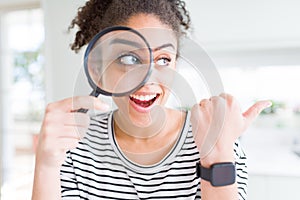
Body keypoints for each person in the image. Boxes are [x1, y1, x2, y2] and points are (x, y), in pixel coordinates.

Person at [32, 0, 271, 199]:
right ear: (100, 68)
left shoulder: (219, 139)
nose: (147, 80)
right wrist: (46, 165)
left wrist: (216, 158)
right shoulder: (73, 144)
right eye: (128, 59)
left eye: (164, 60)